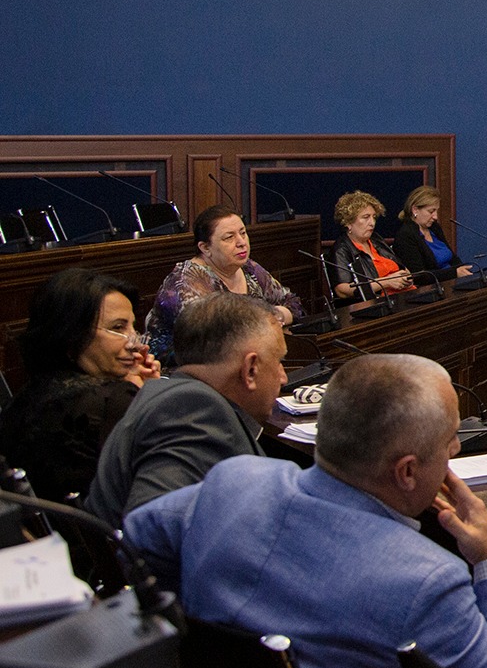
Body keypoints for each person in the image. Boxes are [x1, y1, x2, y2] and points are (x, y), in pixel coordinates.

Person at [122, 353, 487, 668]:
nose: (456, 449)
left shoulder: (235, 480)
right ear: (408, 472)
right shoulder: (424, 581)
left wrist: (193, 630)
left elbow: (136, 537)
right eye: (450, 439)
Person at [88, 294, 286, 528]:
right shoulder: (192, 411)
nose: (283, 377)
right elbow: (153, 527)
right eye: (279, 361)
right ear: (250, 370)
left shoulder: (178, 398)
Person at [0, 268, 162, 508]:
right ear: (72, 334)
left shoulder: (21, 399)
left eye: (133, 328)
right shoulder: (111, 400)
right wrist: (150, 398)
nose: (135, 343)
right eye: (118, 328)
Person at [145, 205, 303, 366]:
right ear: (205, 248)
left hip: (242, 363)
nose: (241, 242)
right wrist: (266, 321)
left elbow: (293, 304)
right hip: (182, 371)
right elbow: (215, 340)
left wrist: (275, 316)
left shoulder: (249, 268)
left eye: (243, 233)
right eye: (229, 237)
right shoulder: (186, 282)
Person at [328, 191, 415, 302]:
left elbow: (401, 266)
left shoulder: (375, 239)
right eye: (366, 217)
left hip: (406, 294)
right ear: (348, 223)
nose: (372, 223)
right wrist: (386, 282)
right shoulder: (341, 249)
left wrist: (407, 277)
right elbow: (342, 291)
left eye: (374, 217)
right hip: (380, 302)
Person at [390, 186, 474, 285]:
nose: (435, 217)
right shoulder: (405, 236)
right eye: (431, 211)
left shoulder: (434, 228)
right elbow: (419, 276)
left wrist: (463, 270)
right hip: (431, 289)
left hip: (451, 283)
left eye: (436, 211)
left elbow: (453, 259)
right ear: (415, 210)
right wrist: (454, 273)